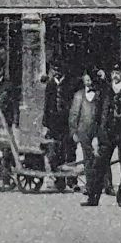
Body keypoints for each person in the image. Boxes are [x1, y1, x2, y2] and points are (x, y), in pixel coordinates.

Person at [84, 63, 121, 208]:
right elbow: (97, 116)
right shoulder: (105, 92)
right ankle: (93, 197)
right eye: (113, 72)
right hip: (106, 134)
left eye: (118, 72)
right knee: (99, 165)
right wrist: (95, 136)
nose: (115, 75)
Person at [41, 61, 74, 190]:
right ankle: (58, 180)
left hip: (67, 123)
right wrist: (45, 123)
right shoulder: (50, 85)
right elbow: (46, 105)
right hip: (53, 124)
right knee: (55, 152)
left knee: (69, 150)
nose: (57, 72)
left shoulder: (69, 84)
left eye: (59, 69)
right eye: (55, 69)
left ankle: (72, 180)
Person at [67, 71, 102, 192]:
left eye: (91, 80)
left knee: (99, 157)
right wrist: (73, 131)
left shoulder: (99, 95)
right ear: (83, 81)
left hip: (96, 131)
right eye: (87, 80)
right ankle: (90, 185)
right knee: (88, 158)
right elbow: (74, 114)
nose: (89, 82)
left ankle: (104, 184)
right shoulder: (79, 95)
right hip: (83, 131)